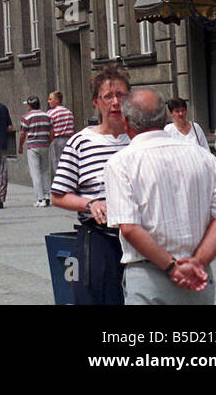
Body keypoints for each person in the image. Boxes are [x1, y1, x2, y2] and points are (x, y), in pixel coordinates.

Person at [105, 89, 216, 305]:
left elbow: (129, 227)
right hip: (198, 277)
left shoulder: (121, 163)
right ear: (165, 117)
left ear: (126, 122)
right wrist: (198, 261)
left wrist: (171, 267)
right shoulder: (203, 157)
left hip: (148, 276)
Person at [50, 66, 133, 305]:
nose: (116, 102)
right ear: (97, 102)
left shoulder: (138, 138)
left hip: (141, 239)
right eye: (108, 96)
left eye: (121, 95)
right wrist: (91, 203)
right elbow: (58, 195)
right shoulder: (81, 142)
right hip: (100, 238)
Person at [19, 97, 54, 206]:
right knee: (45, 171)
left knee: (35, 172)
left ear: (29, 105)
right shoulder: (47, 116)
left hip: (33, 146)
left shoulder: (26, 117)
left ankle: (40, 198)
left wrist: (20, 146)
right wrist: (48, 142)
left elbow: (22, 134)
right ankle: (47, 195)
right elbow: (52, 131)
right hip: (44, 144)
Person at [47, 91, 75, 175]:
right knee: (68, 163)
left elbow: (49, 129)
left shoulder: (50, 113)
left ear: (57, 100)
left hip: (55, 140)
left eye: (50, 99)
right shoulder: (69, 113)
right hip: (68, 140)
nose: (48, 101)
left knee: (57, 164)